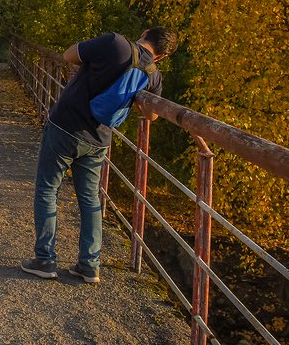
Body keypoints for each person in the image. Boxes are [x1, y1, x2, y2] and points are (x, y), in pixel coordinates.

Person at [20, 27, 178, 284]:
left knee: (48, 190)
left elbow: (69, 54)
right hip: (99, 139)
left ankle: (45, 259)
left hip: (65, 126)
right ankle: (89, 265)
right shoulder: (153, 75)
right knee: (90, 199)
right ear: (161, 57)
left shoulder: (117, 43)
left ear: (145, 32)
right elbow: (152, 115)